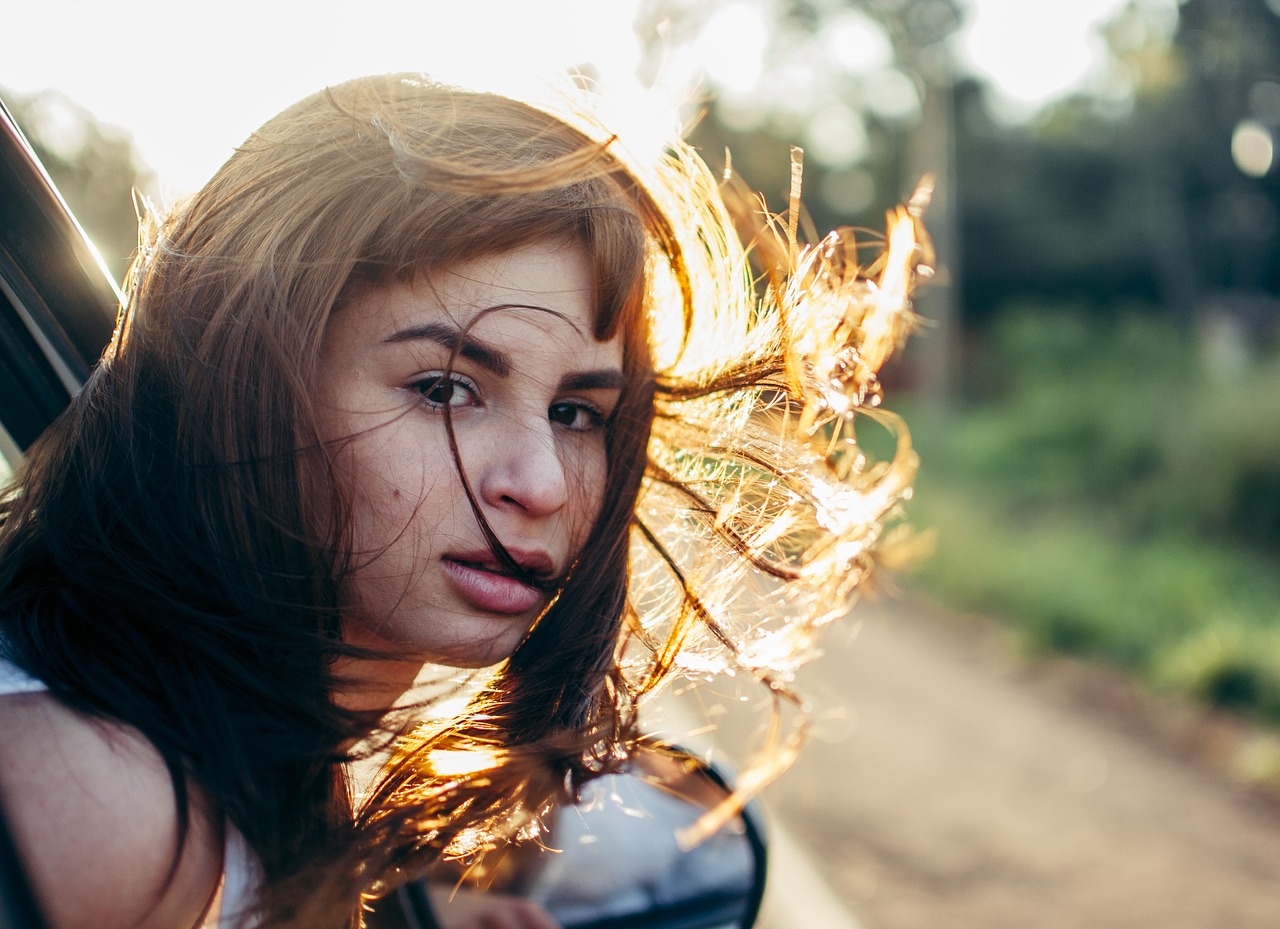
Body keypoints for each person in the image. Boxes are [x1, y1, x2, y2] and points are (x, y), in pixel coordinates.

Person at [0, 73, 926, 929]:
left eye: (577, 411)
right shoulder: (102, 802)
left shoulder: (239, 767)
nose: (543, 482)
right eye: (444, 388)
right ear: (244, 387)